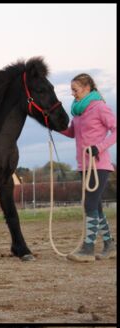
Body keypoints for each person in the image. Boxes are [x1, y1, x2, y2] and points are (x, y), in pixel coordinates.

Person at [61, 73, 116, 262]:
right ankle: (110, 245)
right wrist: (55, 126)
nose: (73, 94)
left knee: (90, 204)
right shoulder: (77, 111)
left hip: (99, 164)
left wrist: (98, 147)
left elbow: (116, 130)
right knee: (96, 207)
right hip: (83, 165)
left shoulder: (100, 107)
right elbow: (72, 133)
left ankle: (88, 248)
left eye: (75, 90)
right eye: (72, 91)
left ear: (87, 88)